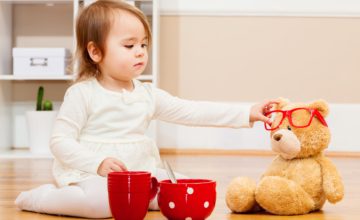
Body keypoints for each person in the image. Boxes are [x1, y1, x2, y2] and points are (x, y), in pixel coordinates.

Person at [14, 0, 277, 218]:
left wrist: (246, 113)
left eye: (143, 45)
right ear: (95, 52)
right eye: (129, 46)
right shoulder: (82, 93)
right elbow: (59, 142)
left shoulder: (147, 94)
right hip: (90, 174)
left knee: (181, 188)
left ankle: (140, 199)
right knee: (101, 205)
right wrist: (98, 163)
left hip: (141, 173)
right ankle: (41, 198)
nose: (140, 52)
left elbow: (192, 111)